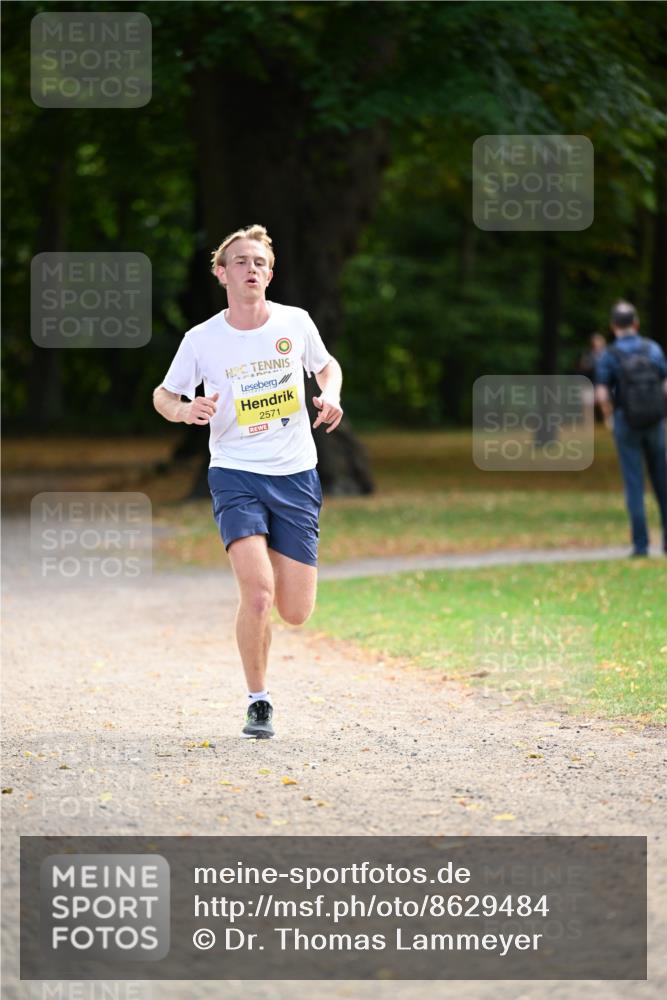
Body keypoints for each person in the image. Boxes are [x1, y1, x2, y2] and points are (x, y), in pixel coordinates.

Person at [153, 224, 343, 738]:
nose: (250, 269)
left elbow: (327, 369)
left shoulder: (295, 323)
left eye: (258, 262)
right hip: (235, 472)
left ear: (270, 273)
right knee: (257, 594)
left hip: (296, 473)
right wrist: (186, 409)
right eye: (239, 261)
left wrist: (332, 395)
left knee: (295, 611)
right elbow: (163, 395)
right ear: (221, 273)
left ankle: (264, 665)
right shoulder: (202, 339)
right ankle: (258, 700)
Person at [594, 300, 667, 557]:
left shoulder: (609, 356)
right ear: (636, 323)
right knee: (663, 481)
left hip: (627, 422)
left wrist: (609, 418)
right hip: (655, 422)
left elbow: (602, 393)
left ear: (614, 326)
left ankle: (641, 545)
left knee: (634, 483)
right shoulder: (653, 349)